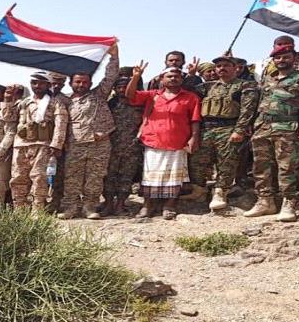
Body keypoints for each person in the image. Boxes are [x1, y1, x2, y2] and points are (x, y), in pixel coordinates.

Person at [243, 45, 299, 222]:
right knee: (261, 166)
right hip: (263, 127)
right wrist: (251, 124)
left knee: (288, 167)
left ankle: (289, 202)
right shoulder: (268, 79)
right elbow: (259, 103)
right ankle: (265, 201)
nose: (281, 60)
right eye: (277, 58)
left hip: (288, 127)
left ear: (295, 58)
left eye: (286, 57)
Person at [126, 63, 201, 220]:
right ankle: (147, 205)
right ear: (162, 79)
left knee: (174, 177)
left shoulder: (190, 97)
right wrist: (135, 77)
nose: (173, 79)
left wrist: (194, 137)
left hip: (178, 143)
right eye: (169, 76)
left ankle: (169, 205)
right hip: (153, 142)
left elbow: (195, 120)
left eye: (177, 76)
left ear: (182, 79)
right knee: (150, 176)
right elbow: (130, 96)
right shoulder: (152, 95)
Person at [186, 56, 259, 210]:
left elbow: (248, 110)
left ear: (235, 68)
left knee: (226, 163)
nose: (222, 68)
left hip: (229, 128)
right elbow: (187, 90)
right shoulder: (208, 86)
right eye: (218, 66)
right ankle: (199, 190)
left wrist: (239, 130)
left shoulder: (245, 85)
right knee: (197, 161)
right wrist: (191, 75)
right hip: (207, 129)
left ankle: (220, 192)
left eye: (226, 65)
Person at [57, 44, 120, 220]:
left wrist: (114, 57)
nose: (81, 85)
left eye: (85, 82)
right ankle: (70, 208)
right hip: (75, 144)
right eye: (77, 82)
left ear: (90, 83)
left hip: (99, 144)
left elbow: (110, 77)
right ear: (71, 83)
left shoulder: (98, 95)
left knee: (95, 177)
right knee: (72, 178)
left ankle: (89, 207)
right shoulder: (64, 100)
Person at [3, 73, 68, 212]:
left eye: (41, 83)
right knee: (18, 178)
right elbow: (9, 118)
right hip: (21, 145)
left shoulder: (55, 103)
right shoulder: (24, 102)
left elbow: (61, 125)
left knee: (39, 178)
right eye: (34, 83)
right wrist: (8, 99)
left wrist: (57, 145)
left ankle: (37, 209)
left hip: (43, 145)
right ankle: (19, 209)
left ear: (48, 85)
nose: (37, 86)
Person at [101, 76, 144, 216]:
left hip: (132, 147)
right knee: (109, 176)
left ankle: (120, 205)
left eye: (125, 87)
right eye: (118, 87)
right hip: (111, 147)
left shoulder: (139, 104)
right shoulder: (111, 104)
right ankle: (108, 204)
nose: (121, 90)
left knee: (127, 177)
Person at [45, 72, 72, 212]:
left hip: (59, 145)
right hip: (39, 143)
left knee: (58, 175)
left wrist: (60, 144)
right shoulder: (40, 98)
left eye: (59, 84)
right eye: (52, 83)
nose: (55, 86)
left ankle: (55, 202)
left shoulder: (66, 101)